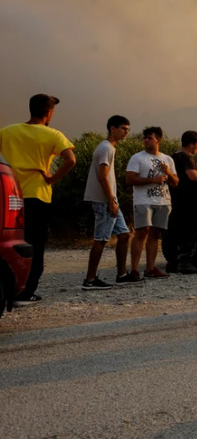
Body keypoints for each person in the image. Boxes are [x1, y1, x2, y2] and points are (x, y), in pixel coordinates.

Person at [0, 94, 76, 304]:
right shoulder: (53, 134)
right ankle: (26, 291)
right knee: (36, 244)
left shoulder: (6, 132)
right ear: (49, 113)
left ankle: (8, 286)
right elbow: (71, 160)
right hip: (37, 195)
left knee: (10, 241)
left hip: (10, 195)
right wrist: (52, 179)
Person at [82, 115, 133, 290]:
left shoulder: (109, 148)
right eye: (123, 128)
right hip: (105, 201)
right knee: (101, 239)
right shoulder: (106, 149)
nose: (127, 132)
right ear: (113, 128)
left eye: (128, 129)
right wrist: (111, 200)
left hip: (111, 200)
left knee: (125, 235)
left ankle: (122, 275)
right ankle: (90, 280)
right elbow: (103, 177)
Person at [125, 127, 177, 281]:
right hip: (143, 201)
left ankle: (150, 268)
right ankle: (134, 270)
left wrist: (168, 172)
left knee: (155, 235)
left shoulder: (168, 159)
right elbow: (129, 179)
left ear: (158, 140)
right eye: (145, 138)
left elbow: (175, 183)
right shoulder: (137, 158)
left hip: (163, 201)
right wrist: (151, 180)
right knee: (141, 233)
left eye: (149, 138)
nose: (146, 140)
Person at [168, 130, 197, 274]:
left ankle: (172, 263)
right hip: (188, 201)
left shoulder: (173, 157)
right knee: (189, 231)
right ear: (191, 145)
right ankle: (185, 262)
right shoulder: (187, 158)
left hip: (174, 199)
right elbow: (193, 176)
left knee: (174, 231)